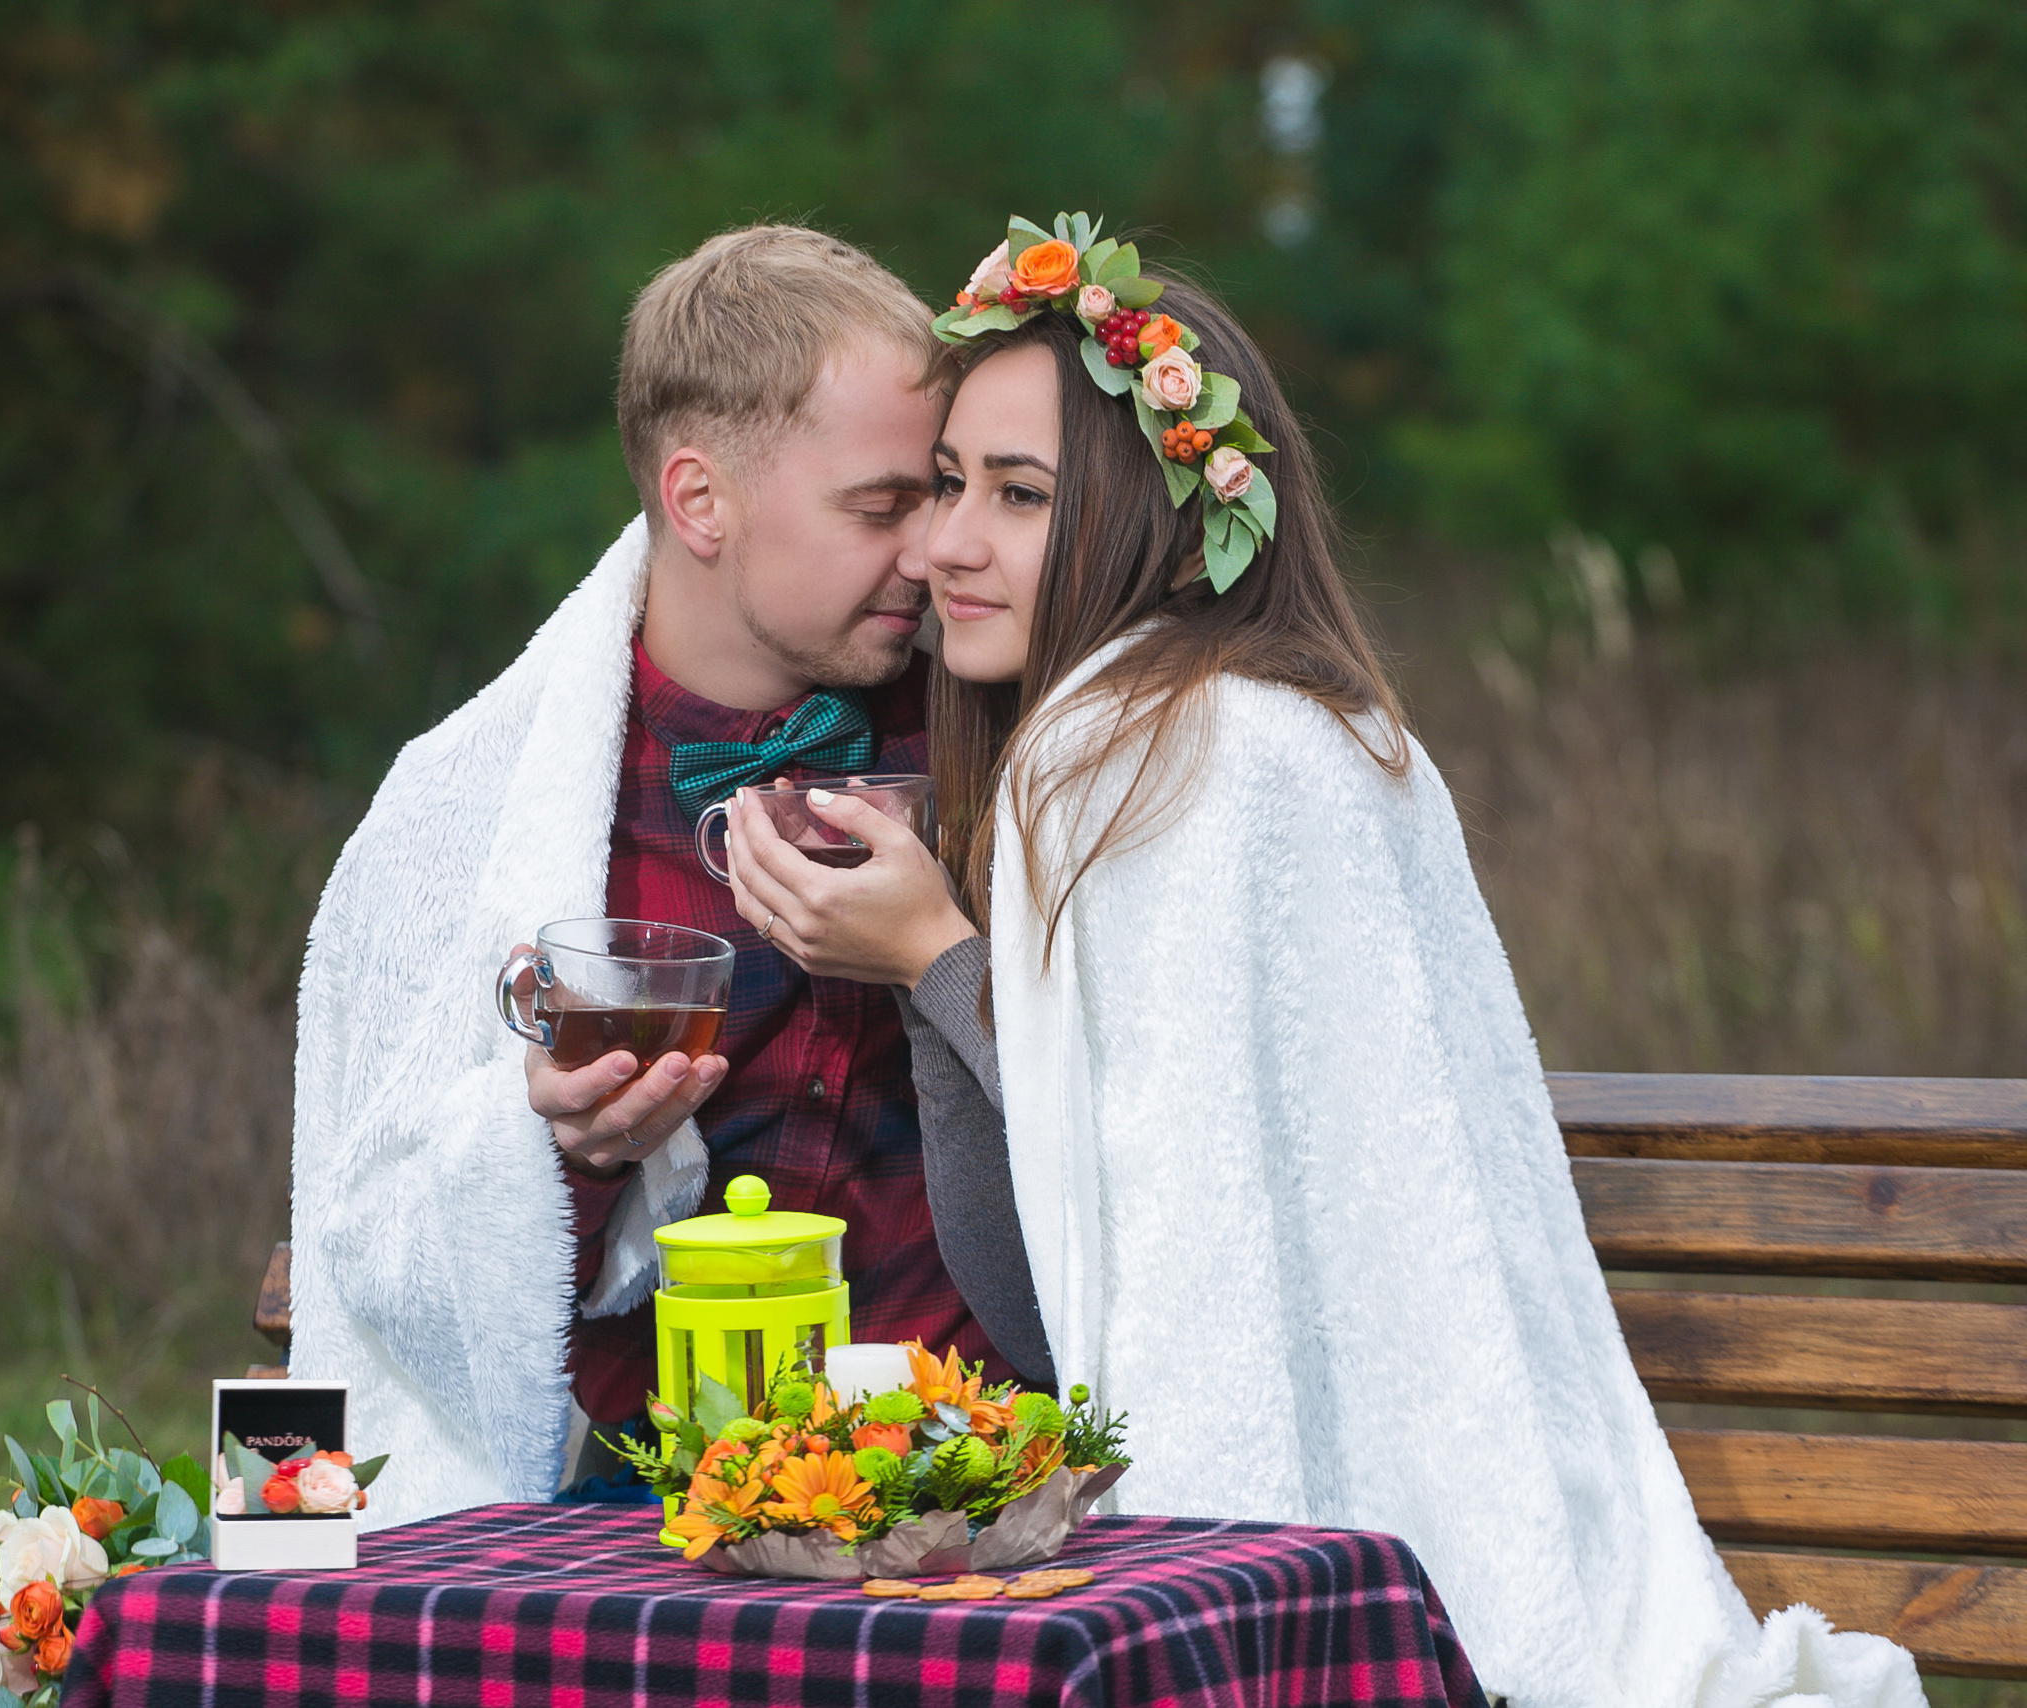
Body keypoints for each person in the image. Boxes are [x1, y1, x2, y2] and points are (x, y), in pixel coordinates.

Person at [717, 217, 1924, 1708]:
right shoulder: (1262, 727)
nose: (946, 541)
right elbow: (1092, 1285)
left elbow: (1147, 1280)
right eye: (948, 481)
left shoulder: (1177, 755)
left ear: (1151, 518)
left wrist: (938, 958)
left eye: (1018, 496)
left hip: (1315, 1573)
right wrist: (935, 967)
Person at [286, 224, 1029, 1526]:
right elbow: (383, 1229)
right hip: (644, 1496)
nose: (930, 551)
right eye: (882, 505)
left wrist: (944, 948)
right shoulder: (485, 803)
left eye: (946, 492)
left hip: (985, 1463)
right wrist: (555, 1143)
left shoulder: (998, 731)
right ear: (699, 501)